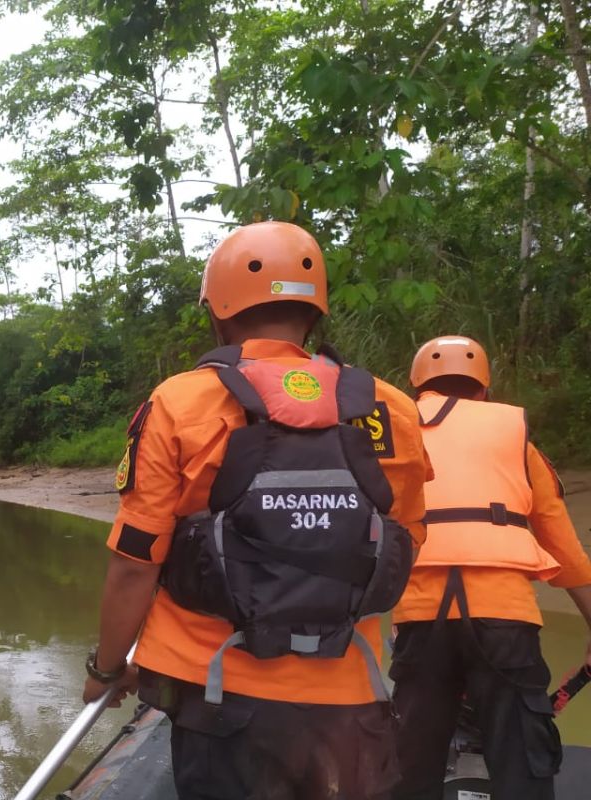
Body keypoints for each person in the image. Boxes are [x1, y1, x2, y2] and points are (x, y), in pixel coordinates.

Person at [83, 221, 431, 800]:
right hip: (352, 696)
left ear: (218, 310)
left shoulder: (181, 401)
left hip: (219, 697)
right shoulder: (388, 408)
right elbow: (408, 543)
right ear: (314, 313)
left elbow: (136, 562)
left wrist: (107, 668)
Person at [390, 335, 591, 800]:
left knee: (409, 762)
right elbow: (564, 549)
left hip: (420, 617)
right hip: (505, 617)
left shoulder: (396, 432)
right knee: (523, 760)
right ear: (485, 389)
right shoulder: (515, 439)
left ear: (418, 385)